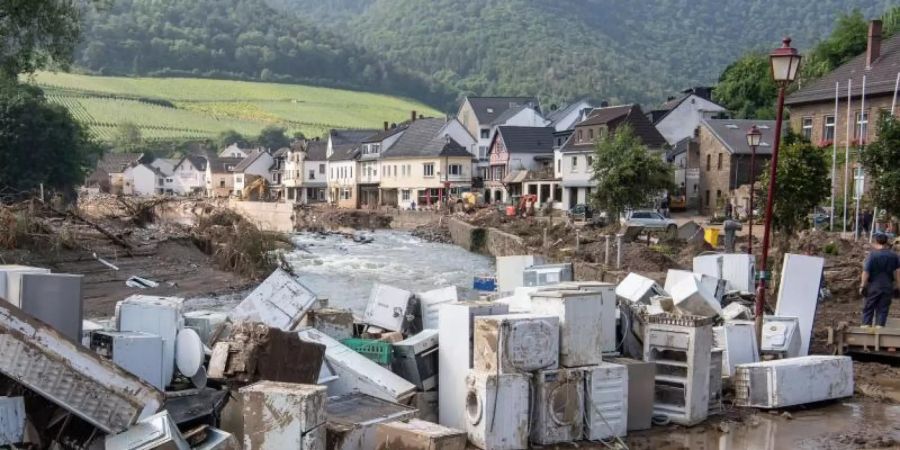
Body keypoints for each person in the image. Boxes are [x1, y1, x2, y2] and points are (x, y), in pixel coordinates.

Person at [859, 233, 900, 327]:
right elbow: (897, 272)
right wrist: (898, 285)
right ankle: (880, 330)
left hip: (874, 286)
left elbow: (866, 272)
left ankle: (866, 329)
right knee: (883, 309)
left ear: (876, 242)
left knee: (868, 307)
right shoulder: (894, 256)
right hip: (887, 286)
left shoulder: (872, 255)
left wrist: (862, 286)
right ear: (886, 242)